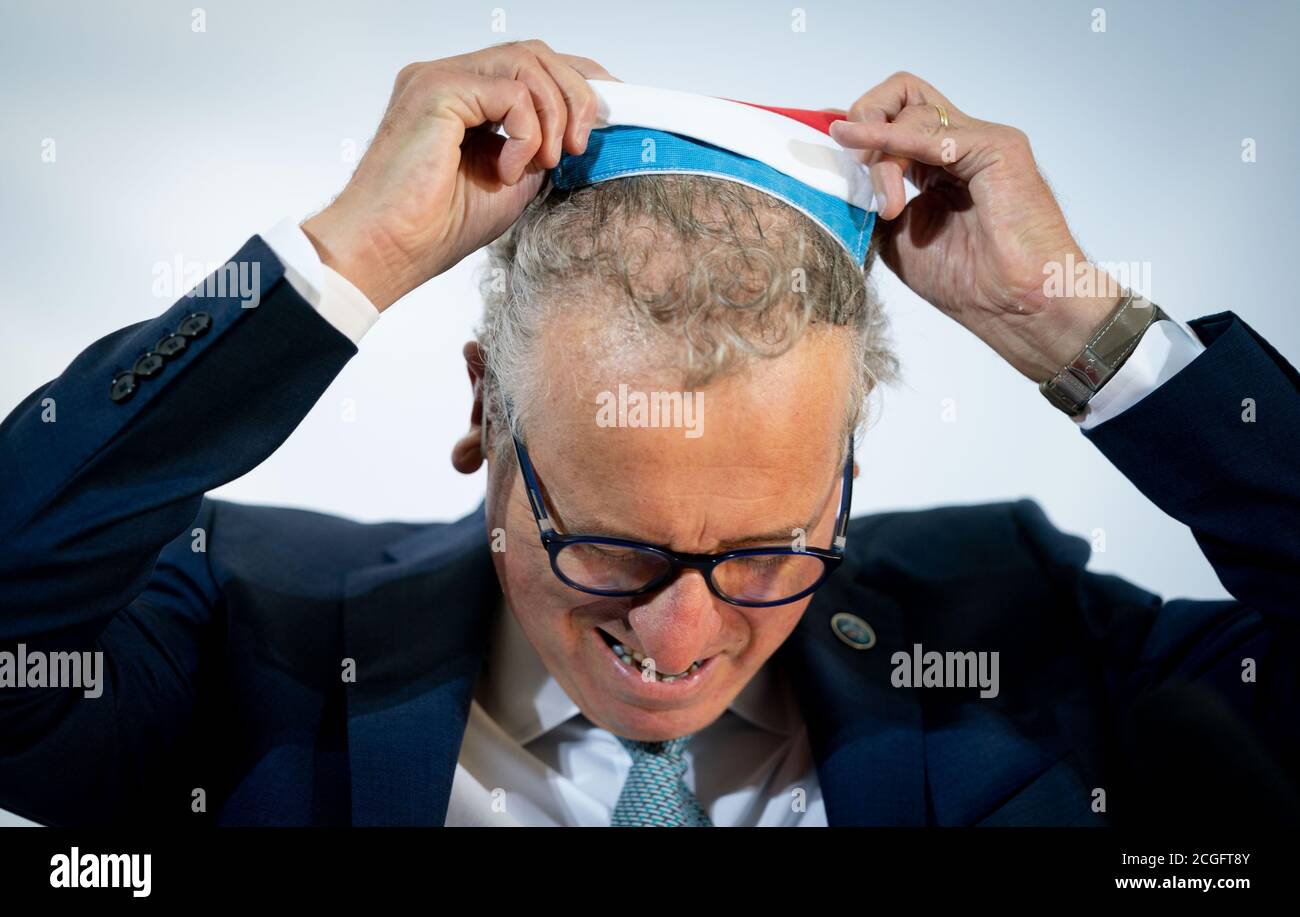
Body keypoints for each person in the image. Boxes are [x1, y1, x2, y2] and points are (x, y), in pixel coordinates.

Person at [1, 40, 1296, 827]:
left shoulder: (1030, 644)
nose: (681, 637)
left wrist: (1071, 322)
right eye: (610, 547)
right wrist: (351, 257)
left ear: (848, 476)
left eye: (773, 546)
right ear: (483, 416)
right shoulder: (251, 645)